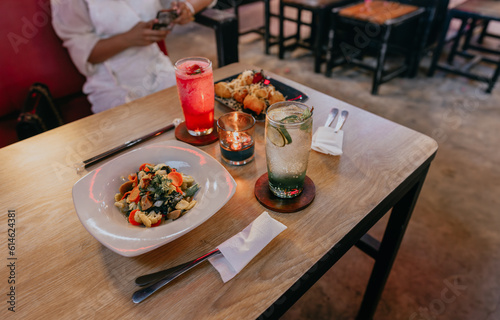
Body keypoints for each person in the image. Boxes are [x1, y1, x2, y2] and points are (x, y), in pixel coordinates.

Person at [51, 0, 216, 113]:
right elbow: (85, 52)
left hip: (158, 69)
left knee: (202, 116)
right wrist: (127, 39)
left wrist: (187, 7)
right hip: (112, 85)